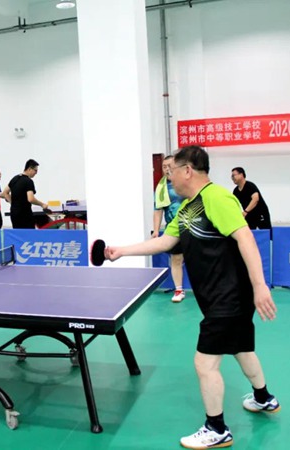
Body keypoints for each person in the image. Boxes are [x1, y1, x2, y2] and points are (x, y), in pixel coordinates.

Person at [105, 146, 280, 449]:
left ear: (188, 171)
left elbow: (246, 238)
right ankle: (264, 398)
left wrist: (260, 285)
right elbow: (165, 242)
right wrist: (122, 251)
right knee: (239, 347)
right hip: (218, 297)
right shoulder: (187, 208)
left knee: (204, 363)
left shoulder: (217, 197)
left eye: (171, 172)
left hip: (228, 296)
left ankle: (217, 429)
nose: (168, 178)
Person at [153, 155, 187, 302]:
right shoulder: (161, 188)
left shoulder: (186, 182)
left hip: (191, 226)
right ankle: (179, 290)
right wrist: (156, 230)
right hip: (173, 229)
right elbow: (158, 210)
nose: (167, 169)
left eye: (170, 166)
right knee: (176, 259)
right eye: (164, 166)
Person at [2, 159, 50, 229]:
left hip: (14, 214)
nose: (36, 173)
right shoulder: (28, 181)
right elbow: (30, 199)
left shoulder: (15, 179)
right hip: (25, 215)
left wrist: (13, 204)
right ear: (29, 169)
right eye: (35, 170)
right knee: (28, 234)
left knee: (17, 234)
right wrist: (42, 204)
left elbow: (5, 193)